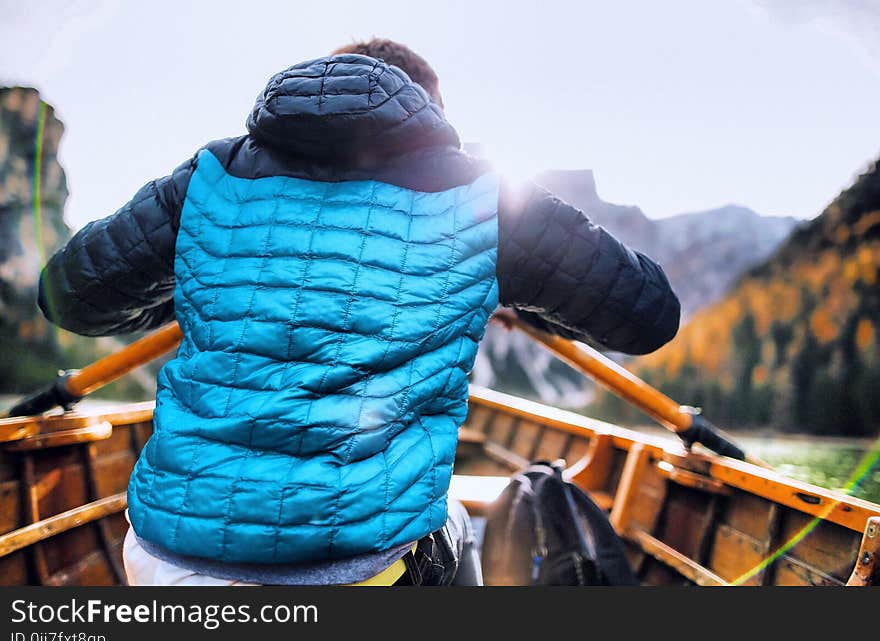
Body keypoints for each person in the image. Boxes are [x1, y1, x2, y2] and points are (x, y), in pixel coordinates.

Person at [37, 38, 681, 586]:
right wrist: (504, 278)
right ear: (427, 107)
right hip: (353, 571)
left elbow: (68, 296)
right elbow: (647, 315)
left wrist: (199, 282)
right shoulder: (483, 196)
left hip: (166, 559)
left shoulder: (207, 175)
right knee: (452, 523)